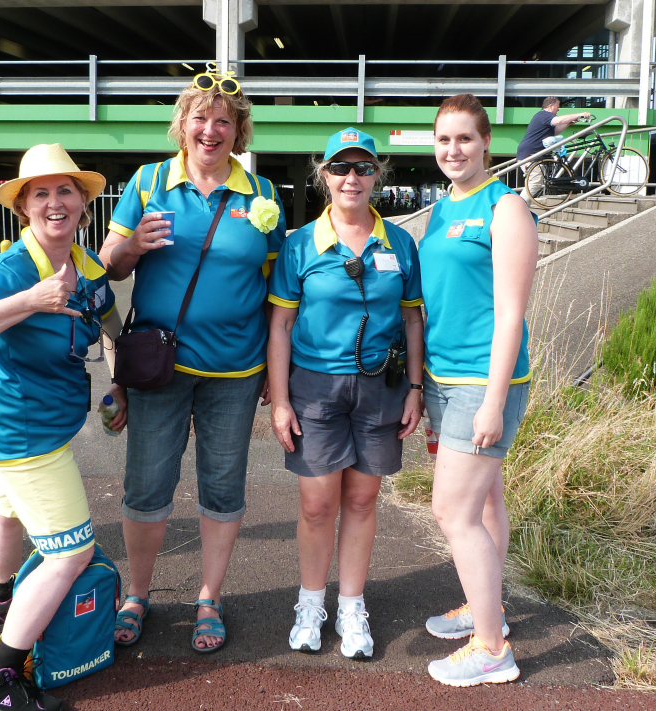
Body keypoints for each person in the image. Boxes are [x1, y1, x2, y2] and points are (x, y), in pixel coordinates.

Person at [98, 67, 286, 654]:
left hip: (235, 370)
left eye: (224, 121)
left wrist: (273, 377)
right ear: (183, 125)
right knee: (148, 484)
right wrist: (130, 246)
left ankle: (210, 597)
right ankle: (138, 593)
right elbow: (108, 266)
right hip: (161, 367)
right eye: (200, 118)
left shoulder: (264, 196)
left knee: (223, 487)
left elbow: (276, 285)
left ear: (239, 131)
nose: (211, 130)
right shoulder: (150, 181)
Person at [0, 143, 124, 711]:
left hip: (31, 425)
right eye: (40, 193)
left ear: (84, 203)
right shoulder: (10, 269)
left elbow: (111, 326)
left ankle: (2, 600)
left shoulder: (89, 267)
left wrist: (120, 384)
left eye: (66, 190)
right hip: (23, 431)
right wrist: (29, 301)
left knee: (7, 509)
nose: (55, 202)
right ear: (24, 208)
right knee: (70, 554)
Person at [268, 128, 424, 659]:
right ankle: (311, 603)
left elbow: (411, 319)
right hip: (314, 388)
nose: (351, 178)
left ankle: (351, 605)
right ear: (324, 176)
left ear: (377, 175)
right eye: (341, 168)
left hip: (381, 385)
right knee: (317, 504)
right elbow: (280, 326)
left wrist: (416, 388)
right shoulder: (298, 245)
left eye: (362, 168)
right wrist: (282, 399)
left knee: (362, 498)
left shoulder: (400, 243)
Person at [418, 94, 538, 686]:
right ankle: (485, 608)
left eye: (464, 138)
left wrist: (493, 400)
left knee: (453, 512)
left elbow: (511, 314)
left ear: (486, 142)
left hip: (481, 383)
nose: (453, 150)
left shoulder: (505, 207)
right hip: (444, 379)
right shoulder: (444, 208)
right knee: (487, 501)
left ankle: (492, 649)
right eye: (443, 140)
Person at [517, 96, 590, 205]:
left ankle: (522, 207)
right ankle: (519, 206)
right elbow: (559, 120)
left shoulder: (544, 118)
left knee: (535, 182)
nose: (558, 110)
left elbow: (555, 131)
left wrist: (569, 123)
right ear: (551, 106)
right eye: (557, 107)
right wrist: (579, 114)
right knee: (535, 182)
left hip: (532, 154)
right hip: (530, 154)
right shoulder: (544, 115)